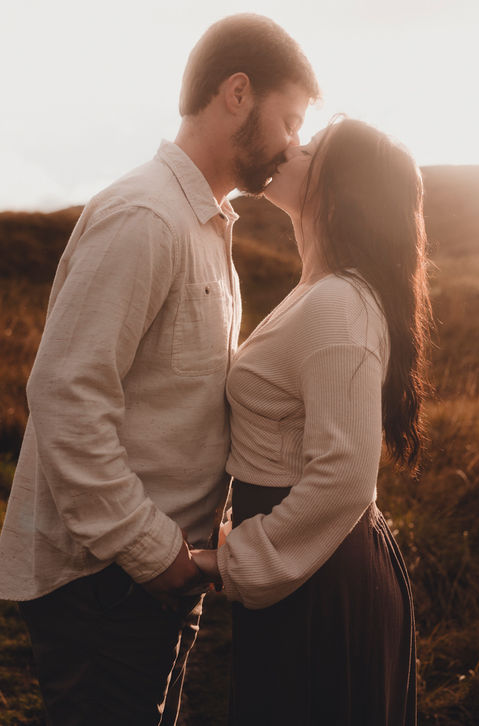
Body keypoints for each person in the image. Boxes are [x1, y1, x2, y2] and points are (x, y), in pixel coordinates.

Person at [0, 14, 319, 726]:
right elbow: (66, 396)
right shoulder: (144, 217)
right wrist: (153, 550)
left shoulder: (202, 226)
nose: (291, 144)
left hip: (154, 576)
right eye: (289, 119)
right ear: (237, 93)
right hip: (104, 582)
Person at [192, 117, 432, 725]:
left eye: (311, 148)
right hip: (307, 566)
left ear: (338, 187)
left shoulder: (338, 305)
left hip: (318, 578)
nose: (290, 148)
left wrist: (232, 560)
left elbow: (346, 476)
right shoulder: (320, 290)